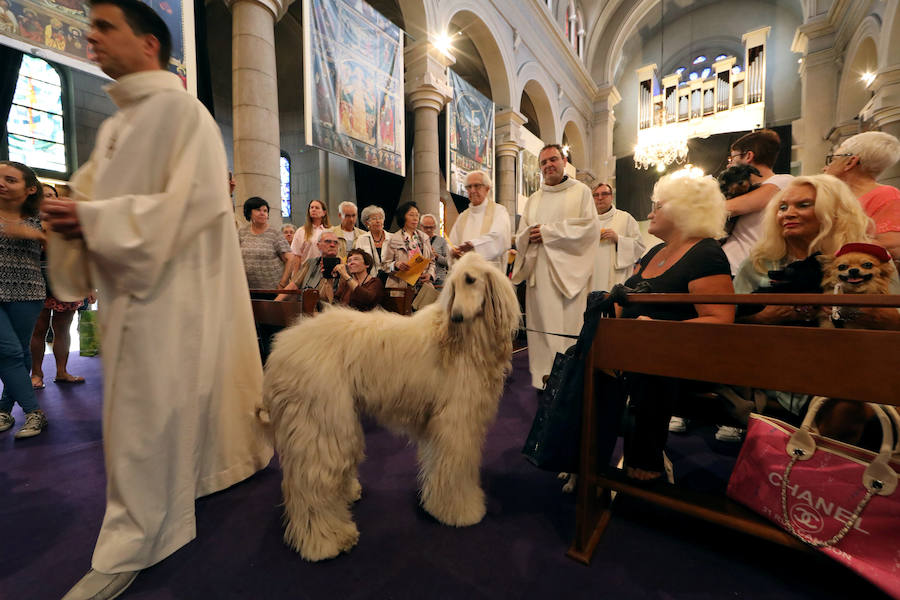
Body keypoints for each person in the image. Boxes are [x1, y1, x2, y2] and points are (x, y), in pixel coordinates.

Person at [41, 3, 273, 597]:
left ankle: (136, 539)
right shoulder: (118, 124)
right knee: (141, 415)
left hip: (168, 294)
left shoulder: (181, 113)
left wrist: (91, 217)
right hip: (127, 292)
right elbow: (95, 195)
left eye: (104, 26)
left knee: (145, 418)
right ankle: (176, 490)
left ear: (148, 45)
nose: (90, 36)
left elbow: (191, 207)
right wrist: (75, 214)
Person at [617, 173, 734, 481]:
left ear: (684, 209)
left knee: (650, 368)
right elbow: (626, 297)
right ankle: (582, 455)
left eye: (658, 205)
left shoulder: (706, 252)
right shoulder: (655, 252)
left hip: (679, 362)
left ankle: (646, 465)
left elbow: (720, 320)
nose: (650, 213)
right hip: (635, 352)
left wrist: (659, 330)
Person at [735, 174, 899, 330]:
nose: (788, 214)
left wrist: (865, 315)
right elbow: (729, 320)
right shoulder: (759, 262)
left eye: (804, 205)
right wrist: (763, 318)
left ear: (835, 212)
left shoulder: (870, 257)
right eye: (783, 207)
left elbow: (894, 319)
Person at [510, 144, 599, 389]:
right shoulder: (534, 199)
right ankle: (543, 380)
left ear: (564, 161)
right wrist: (529, 234)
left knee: (566, 327)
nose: (548, 165)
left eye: (553, 160)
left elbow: (589, 229)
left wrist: (548, 233)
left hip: (568, 275)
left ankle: (567, 381)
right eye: (543, 162)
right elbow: (520, 235)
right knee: (540, 330)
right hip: (538, 274)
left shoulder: (580, 192)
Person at [0, 161, 48, 439]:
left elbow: (65, 250)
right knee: (7, 352)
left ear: (30, 189)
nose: (2, 183)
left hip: (27, 292)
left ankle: (4, 408)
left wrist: (40, 235)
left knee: (18, 352)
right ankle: (34, 412)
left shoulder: (39, 219)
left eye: (10, 179)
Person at [30, 183, 90, 389]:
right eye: (44, 196)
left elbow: (80, 253)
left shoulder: (67, 222)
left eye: (52, 195)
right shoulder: (30, 222)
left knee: (63, 329)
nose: (49, 199)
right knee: (39, 329)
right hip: (38, 277)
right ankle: (36, 373)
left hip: (66, 276)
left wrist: (88, 286)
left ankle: (62, 371)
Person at [721, 129, 794, 275]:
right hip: (731, 265)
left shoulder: (783, 181)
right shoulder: (745, 190)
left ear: (748, 156)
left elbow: (732, 207)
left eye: (732, 158)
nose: (729, 165)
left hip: (750, 269)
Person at [822, 131, 900, 260]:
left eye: (833, 159)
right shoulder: (832, 195)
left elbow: (890, 248)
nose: (826, 167)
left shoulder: (887, 195)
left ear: (850, 162)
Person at [447, 170, 511, 273]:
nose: (472, 190)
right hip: (465, 275)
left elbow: (500, 238)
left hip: (489, 276)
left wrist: (473, 246)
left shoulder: (499, 211)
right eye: (469, 187)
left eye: (477, 186)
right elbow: (451, 243)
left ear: (487, 189)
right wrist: (453, 251)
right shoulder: (462, 217)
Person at [590, 182, 646, 291]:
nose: (600, 198)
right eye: (596, 195)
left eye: (604, 194)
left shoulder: (625, 218)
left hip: (616, 276)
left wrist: (618, 239)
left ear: (611, 196)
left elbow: (639, 246)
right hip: (592, 275)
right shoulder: (587, 221)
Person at [237, 196, 294, 294]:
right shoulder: (242, 233)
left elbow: (290, 259)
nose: (262, 213)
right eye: (258, 210)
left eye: (265, 210)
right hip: (247, 289)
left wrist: (282, 284)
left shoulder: (274, 233)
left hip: (272, 289)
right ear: (249, 212)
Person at [382, 201, 435, 291]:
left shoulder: (424, 238)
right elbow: (384, 265)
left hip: (423, 286)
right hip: (401, 287)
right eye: (411, 215)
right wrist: (395, 265)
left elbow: (432, 261)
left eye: (417, 215)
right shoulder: (393, 239)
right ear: (403, 217)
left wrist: (430, 274)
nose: (415, 218)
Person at [276, 229, 341, 300]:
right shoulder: (311, 263)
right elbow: (293, 285)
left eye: (336, 243)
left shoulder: (342, 268)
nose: (332, 245)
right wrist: (275, 303)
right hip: (305, 305)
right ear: (318, 245)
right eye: (328, 241)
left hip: (328, 307)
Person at [354, 204, 391, 278]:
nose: (378, 221)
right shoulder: (361, 239)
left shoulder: (392, 238)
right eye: (374, 218)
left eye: (380, 218)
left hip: (391, 280)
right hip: (370, 281)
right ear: (366, 223)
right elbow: (358, 261)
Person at [420, 213, 448, 285]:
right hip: (422, 278)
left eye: (431, 227)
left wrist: (437, 256)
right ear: (421, 226)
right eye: (426, 227)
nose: (429, 230)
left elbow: (448, 262)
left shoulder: (442, 241)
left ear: (435, 227)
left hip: (439, 279)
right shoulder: (417, 240)